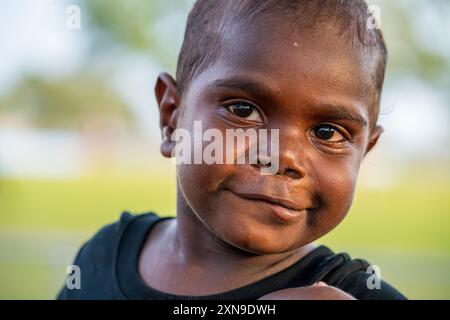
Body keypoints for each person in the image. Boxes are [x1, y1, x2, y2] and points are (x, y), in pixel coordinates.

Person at [58, 0, 406, 300]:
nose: (282, 157)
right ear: (171, 117)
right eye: (243, 111)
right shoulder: (103, 256)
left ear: (364, 152)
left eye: (328, 132)